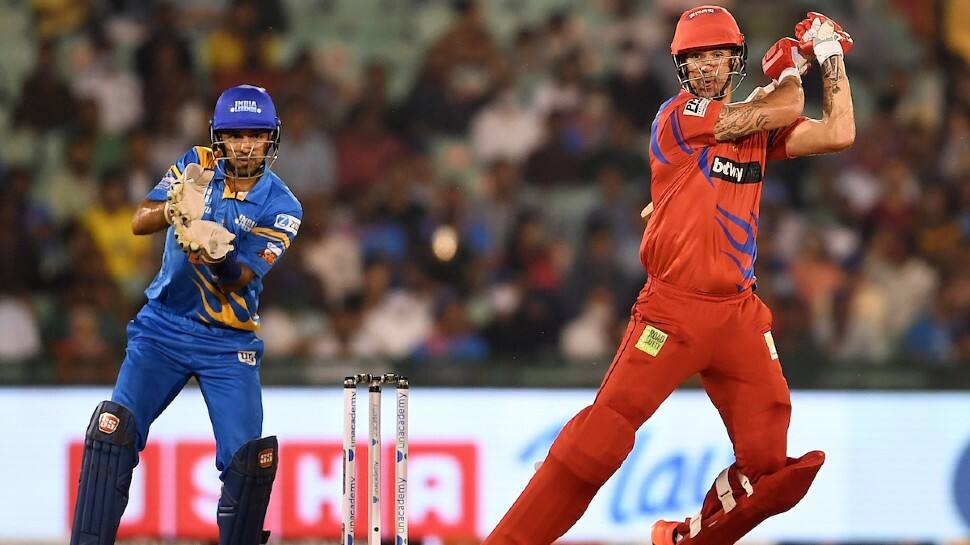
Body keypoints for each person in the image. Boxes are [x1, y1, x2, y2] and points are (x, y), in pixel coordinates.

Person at [483, 7, 854, 545]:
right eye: (694, 57)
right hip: (672, 312)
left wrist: (832, 58)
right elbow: (788, 103)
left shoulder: (757, 126)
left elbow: (839, 132)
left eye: (716, 54)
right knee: (602, 436)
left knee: (770, 467)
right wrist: (797, 64)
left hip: (738, 316)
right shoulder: (679, 115)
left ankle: (683, 538)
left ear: (735, 59)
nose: (706, 66)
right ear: (681, 68)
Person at [69, 84, 302, 545]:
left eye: (255, 135)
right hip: (162, 328)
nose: (245, 146)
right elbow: (140, 220)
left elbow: (236, 279)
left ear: (271, 138)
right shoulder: (196, 163)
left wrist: (213, 249)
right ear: (219, 136)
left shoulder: (283, 206)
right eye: (236, 135)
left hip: (227, 342)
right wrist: (175, 207)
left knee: (246, 463)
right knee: (112, 433)